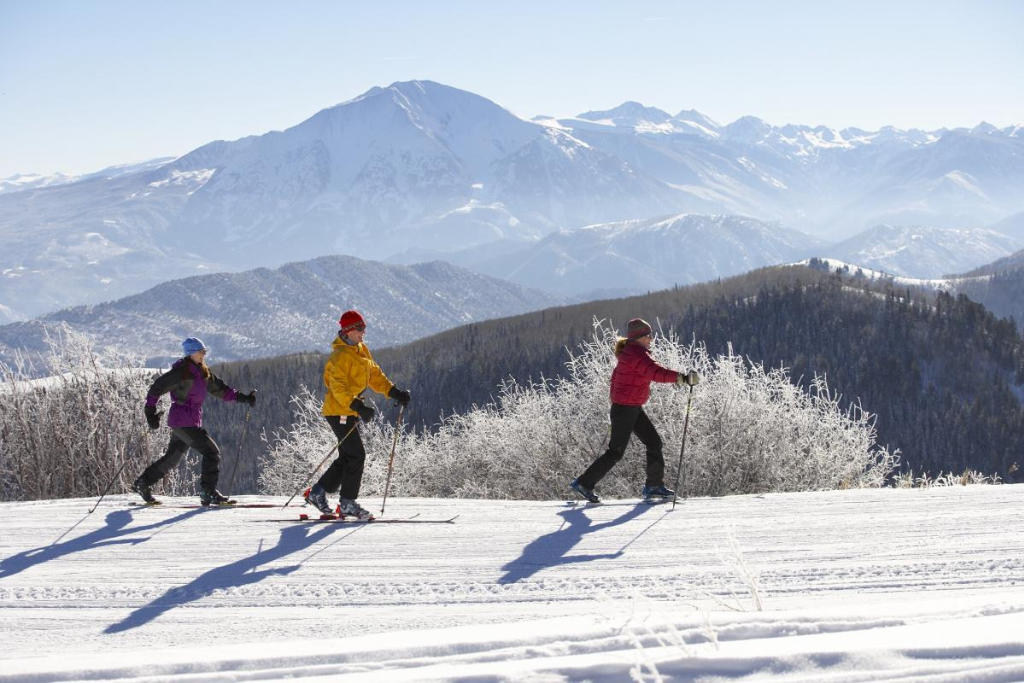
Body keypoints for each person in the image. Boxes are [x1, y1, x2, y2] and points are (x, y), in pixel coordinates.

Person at [571, 318, 700, 504]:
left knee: (654, 442)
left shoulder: (630, 353)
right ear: (639, 337)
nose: (651, 339)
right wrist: (683, 378)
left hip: (629, 407)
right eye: (648, 335)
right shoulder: (636, 355)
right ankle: (584, 483)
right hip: (626, 409)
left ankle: (653, 486)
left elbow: (615, 381)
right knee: (616, 452)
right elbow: (655, 372)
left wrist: (617, 404)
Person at [305, 310, 411, 519]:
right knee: (356, 455)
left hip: (350, 410)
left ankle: (317, 493)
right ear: (348, 331)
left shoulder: (361, 350)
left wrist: (394, 392)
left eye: (364, 327)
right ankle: (347, 503)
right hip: (339, 411)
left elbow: (375, 375)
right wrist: (358, 407)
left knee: (348, 456)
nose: (364, 332)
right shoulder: (339, 357)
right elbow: (338, 387)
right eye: (360, 328)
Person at [132, 337, 256, 506]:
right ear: (191, 353)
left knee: (172, 459)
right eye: (201, 351)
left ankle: (143, 483)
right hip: (182, 421)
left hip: (189, 421)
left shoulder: (202, 372)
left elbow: (221, 390)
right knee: (212, 452)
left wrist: (244, 398)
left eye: (204, 351)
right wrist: (150, 413)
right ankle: (208, 492)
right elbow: (156, 388)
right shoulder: (181, 372)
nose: (204, 354)